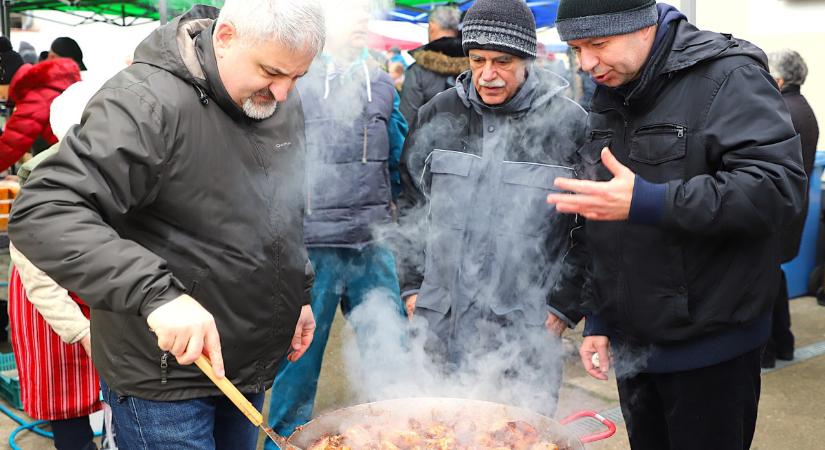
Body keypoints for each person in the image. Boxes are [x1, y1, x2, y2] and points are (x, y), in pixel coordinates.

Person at [8, 1, 325, 448]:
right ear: (226, 36)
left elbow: (281, 209)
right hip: (161, 375)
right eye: (272, 72)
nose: (284, 93)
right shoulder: (146, 100)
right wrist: (157, 296)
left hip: (244, 362)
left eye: (298, 77)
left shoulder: (278, 101)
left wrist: (298, 291)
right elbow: (45, 210)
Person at [547, 1, 806, 449]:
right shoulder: (612, 91)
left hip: (711, 348)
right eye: (575, 49)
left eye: (597, 44)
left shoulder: (727, 77)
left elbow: (777, 189)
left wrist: (650, 201)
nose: (586, 64)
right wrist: (600, 319)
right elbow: (606, 224)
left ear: (644, 28)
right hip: (635, 353)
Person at [400, 0, 588, 416]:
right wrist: (412, 288)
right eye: (477, 59)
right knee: (437, 433)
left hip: (525, 334)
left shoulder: (570, 124)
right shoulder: (436, 115)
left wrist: (562, 308)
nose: (487, 74)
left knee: (520, 435)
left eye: (502, 61)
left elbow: (590, 230)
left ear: (529, 59)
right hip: (439, 327)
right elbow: (410, 205)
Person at [266, 0, 408, 439]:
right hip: (312, 248)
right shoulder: (298, 82)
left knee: (392, 357)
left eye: (369, 9)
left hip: (371, 244)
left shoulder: (383, 84)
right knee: (299, 362)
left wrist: (391, 209)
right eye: (354, 9)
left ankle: (399, 437)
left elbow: (401, 157)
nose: (364, 18)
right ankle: (286, 443)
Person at [762, 49, 820, 367]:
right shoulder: (803, 108)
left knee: (763, 279)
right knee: (775, 275)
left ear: (780, 79)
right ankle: (784, 342)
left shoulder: (781, 111)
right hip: (794, 208)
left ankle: (767, 350)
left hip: (778, 211)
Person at [0, 44, 81, 170]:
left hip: (75, 164)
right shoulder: (44, 85)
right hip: (82, 161)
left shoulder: (35, 95)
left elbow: (10, 146)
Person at [399, 4, 467, 125]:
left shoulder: (417, 70)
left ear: (432, 26)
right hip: (473, 141)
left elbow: (407, 120)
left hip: (427, 141)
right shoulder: (477, 64)